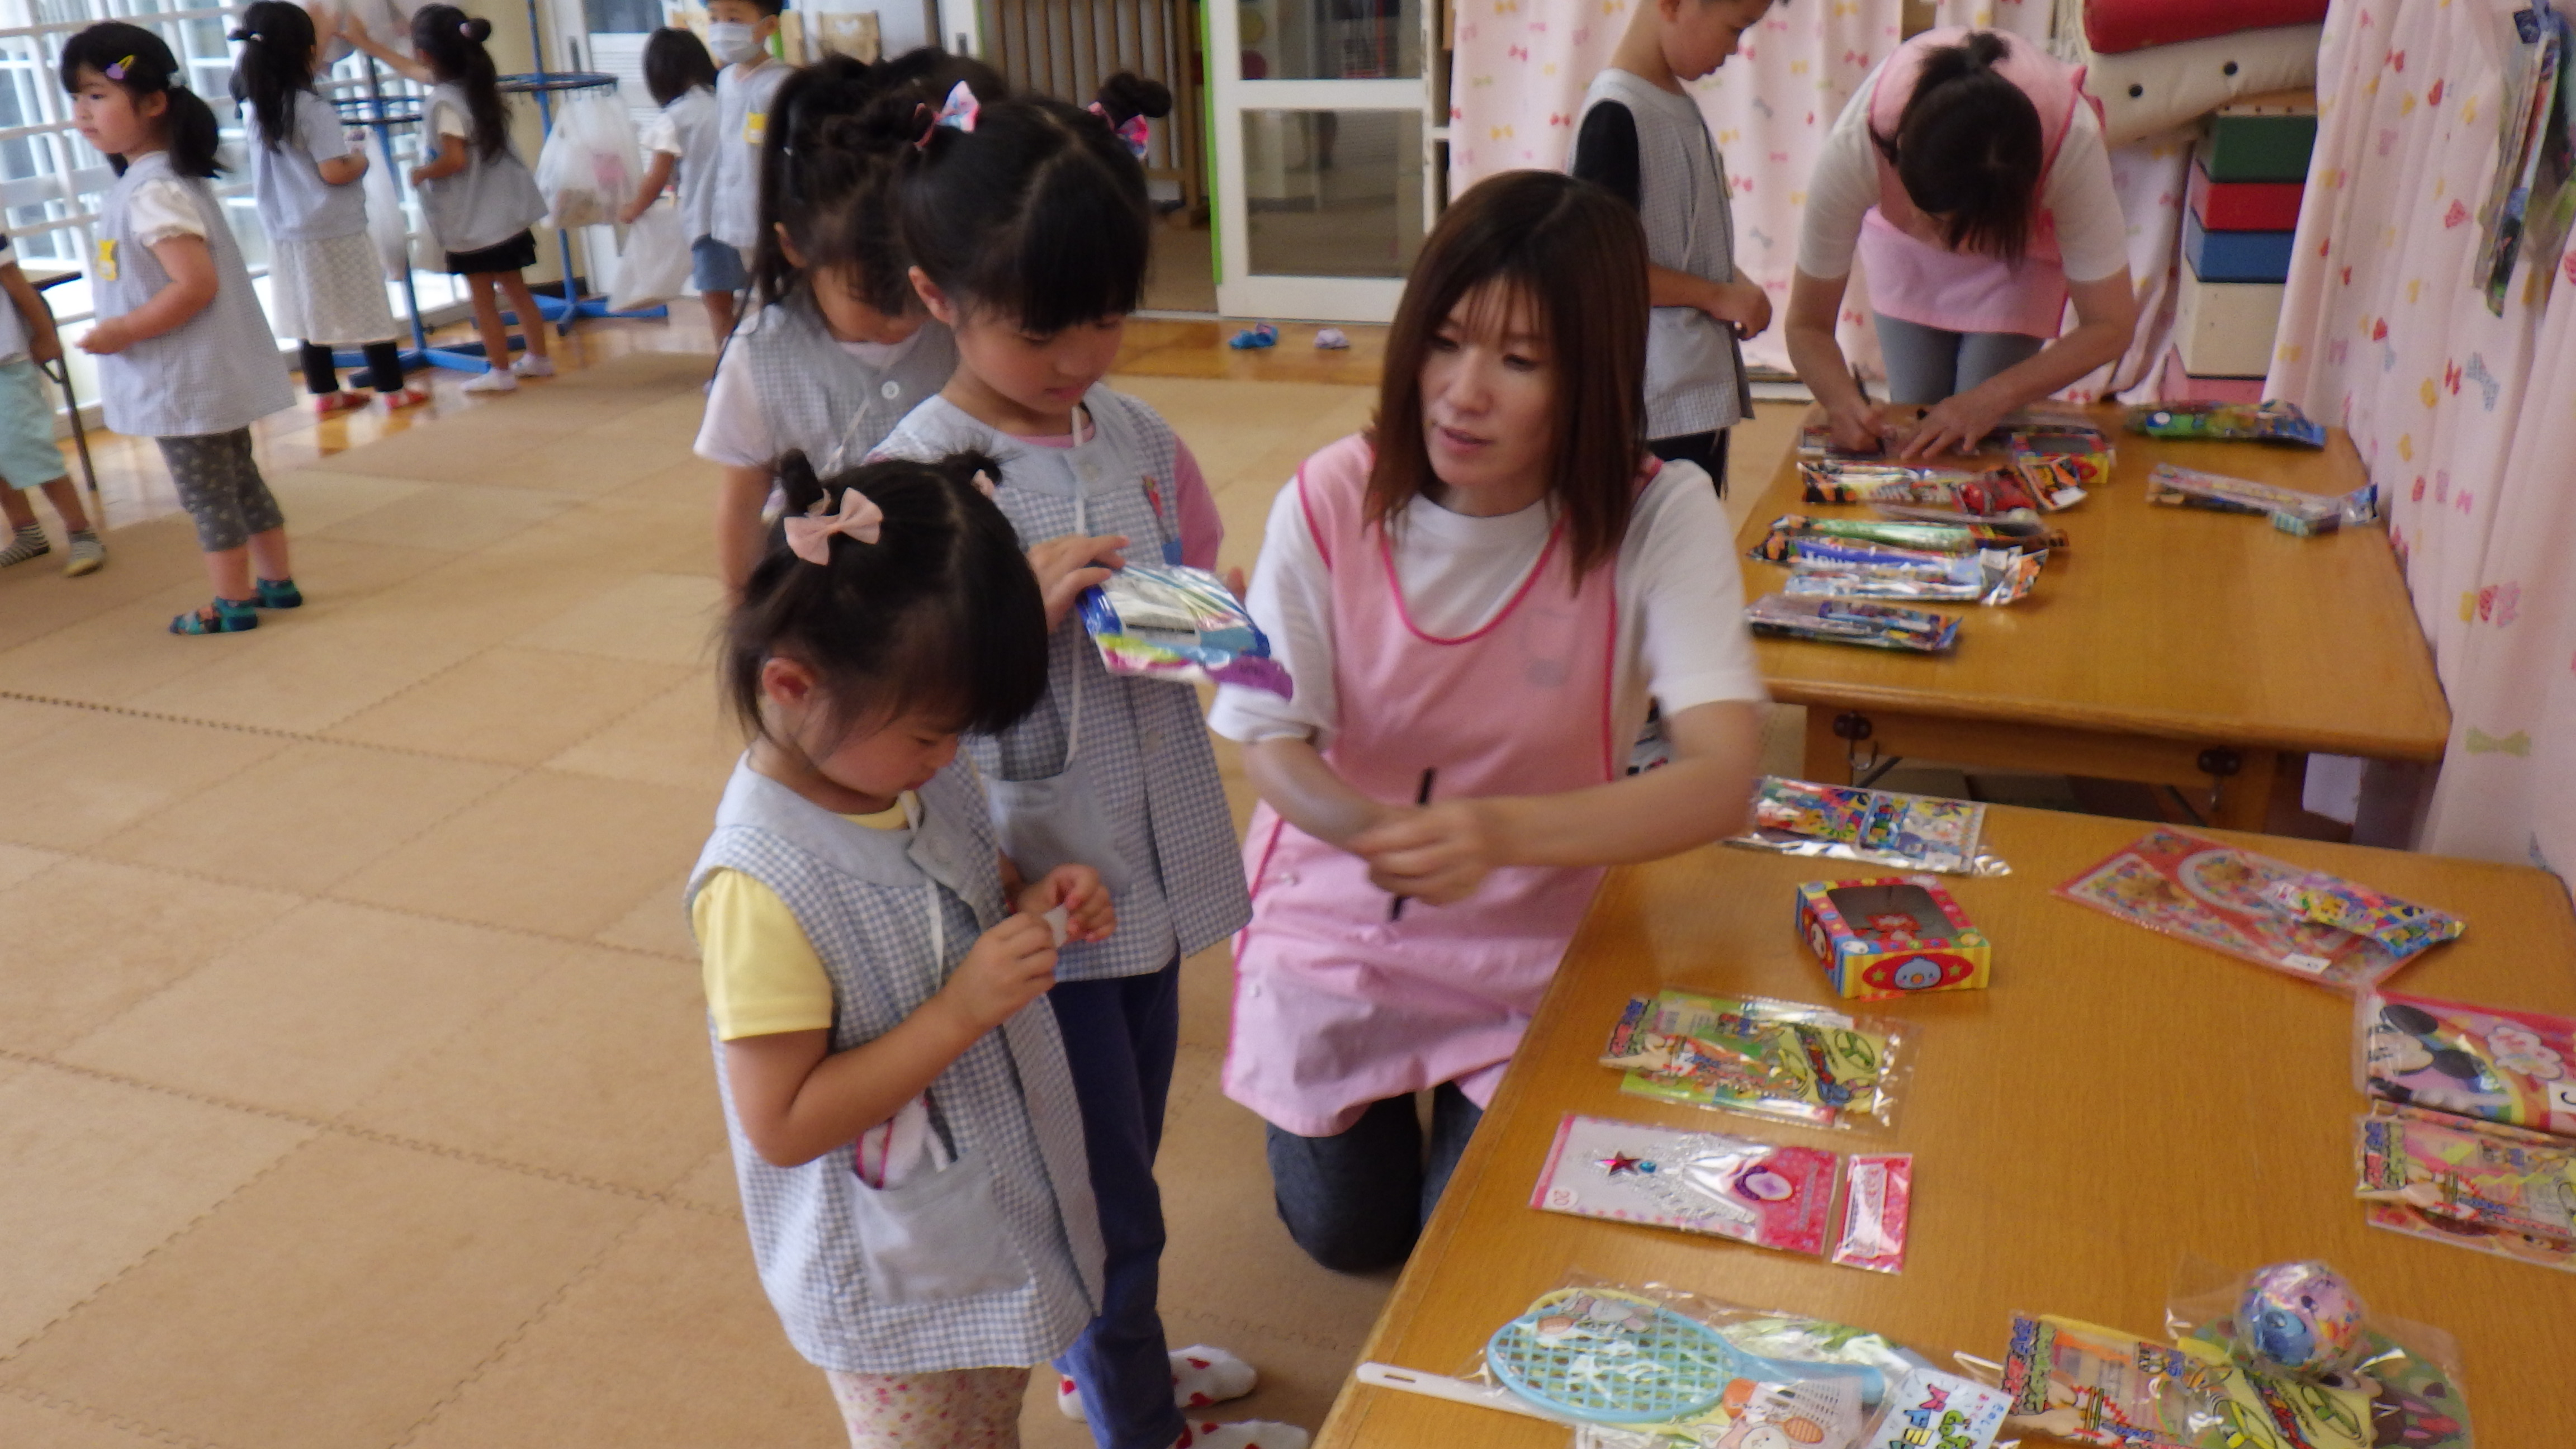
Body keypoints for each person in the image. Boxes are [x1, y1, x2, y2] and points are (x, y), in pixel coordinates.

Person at [1212, 170, 1767, 1273]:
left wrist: (1497, 836)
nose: (1465, 392)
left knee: (1462, 1251)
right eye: (1447, 342)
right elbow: (1272, 740)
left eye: (1518, 362)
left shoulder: (1659, 512)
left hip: (1535, 935)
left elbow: (1724, 774)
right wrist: (1368, 829)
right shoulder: (1330, 495)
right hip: (1335, 922)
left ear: (1596, 377)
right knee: (1346, 1238)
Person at [876, 75, 1302, 1449]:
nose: (1078, 357)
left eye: (1108, 317)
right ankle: (1135, 1418)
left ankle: (1101, 1353)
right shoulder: (916, 478)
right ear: (937, 294)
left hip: (1156, 849)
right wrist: (1009, 605)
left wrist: (1215, 619)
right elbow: (880, 716)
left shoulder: (1132, 433)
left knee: (1122, 1148)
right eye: (1040, 327)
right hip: (1034, 887)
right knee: (1102, 1192)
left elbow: (1197, 571)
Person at [693, 446, 1116, 1449]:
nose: (948, 756)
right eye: (932, 734)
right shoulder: (760, 885)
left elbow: (963, 891)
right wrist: (962, 1009)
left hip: (988, 1212)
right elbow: (784, 1122)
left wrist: (1032, 899)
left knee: (987, 1424)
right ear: (792, 685)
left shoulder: (910, 773)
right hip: (895, 1280)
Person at [693, 49, 978, 595]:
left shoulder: (958, 331)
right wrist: (750, 623)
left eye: (920, 292)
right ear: (794, 246)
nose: (904, 318)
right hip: (825, 602)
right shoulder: (761, 356)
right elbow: (740, 504)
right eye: (873, 296)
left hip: (950, 594)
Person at [1784, 27, 2137, 458]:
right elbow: (1806, 323)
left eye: (1974, 231)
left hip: (2017, 262)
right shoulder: (1858, 145)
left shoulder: (2071, 145)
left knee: (1979, 439)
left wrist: (1994, 396)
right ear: (1902, 162)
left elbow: (2112, 324)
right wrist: (1842, 402)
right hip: (1903, 249)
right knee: (1918, 412)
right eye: (1937, 222)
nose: (1952, 247)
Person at [64, 25, 297, 634]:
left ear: (153, 102)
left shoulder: (153, 188)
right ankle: (276, 582)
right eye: (77, 97)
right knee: (241, 480)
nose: (81, 113)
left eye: (96, 96)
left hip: (186, 378)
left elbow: (193, 284)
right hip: (208, 372)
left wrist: (124, 331)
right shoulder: (162, 178)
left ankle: (232, 602)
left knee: (209, 496)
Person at [1569, 0, 1772, 493]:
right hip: (1647, 404)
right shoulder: (1616, 113)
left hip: (1692, 389)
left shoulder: (1674, 105)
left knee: (1689, 537)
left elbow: (1689, 236)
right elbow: (1603, 269)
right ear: (1674, 5)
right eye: (1734, 28)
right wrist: (1717, 295)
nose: (1734, 49)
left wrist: (1736, 285)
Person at [231, 0, 428, 417]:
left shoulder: (254, 107)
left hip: (287, 230)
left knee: (310, 314)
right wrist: (362, 159)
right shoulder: (312, 109)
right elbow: (335, 172)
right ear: (304, 50)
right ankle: (391, 388)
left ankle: (325, 393)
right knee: (369, 308)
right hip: (334, 227)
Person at [345, 5, 553, 393]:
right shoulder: (477, 86)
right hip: (507, 215)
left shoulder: (445, 102)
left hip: (478, 222)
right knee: (518, 291)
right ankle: (539, 358)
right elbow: (415, 72)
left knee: (483, 298)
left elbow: (455, 158)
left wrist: (423, 172)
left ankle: (501, 372)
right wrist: (367, 44)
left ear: (425, 54)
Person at [0, 228, 103, 576]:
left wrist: (46, 334)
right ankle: (28, 533)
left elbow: (12, 278)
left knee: (27, 445)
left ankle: (80, 532)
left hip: (5, 359)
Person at [622, 27, 729, 344]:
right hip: (745, 212)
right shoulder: (725, 99)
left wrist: (632, 209)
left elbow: (656, 177)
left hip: (707, 222)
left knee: (719, 304)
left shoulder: (675, 117)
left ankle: (729, 370)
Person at [704, 0, 793, 330]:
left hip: (774, 210)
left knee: (784, 290)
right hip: (738, 208)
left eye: (734, 18)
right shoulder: (726, 80)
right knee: (759, 290)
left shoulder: (782, 82)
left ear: (768, 26)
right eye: (714, 18)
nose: (720, 26)